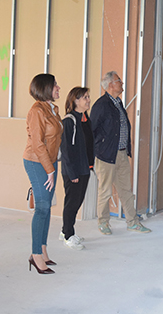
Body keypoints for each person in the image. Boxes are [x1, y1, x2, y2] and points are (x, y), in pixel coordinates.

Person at [90, 71, 151, 235]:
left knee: (126, 191)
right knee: (105, 191)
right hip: (106, 156)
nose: (122, 84)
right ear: (110, 85)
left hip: (121, 154)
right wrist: (99, 150)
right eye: (119, 81)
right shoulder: (101, 105)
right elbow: (91, 131)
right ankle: (103, 223)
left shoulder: (118, 103)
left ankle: (133, 222)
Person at [22, 73, 62, 274]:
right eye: (55, 85)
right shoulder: (37, 111)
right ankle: (36, 254)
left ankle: (43, 250)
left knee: (46, 208)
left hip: (49, 162)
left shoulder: (51, 108)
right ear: (45, 88)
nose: (58, 88)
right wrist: (50, 170)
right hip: (37, 163)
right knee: (42, 208)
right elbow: (38, 144)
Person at [59, 87, 94, 250]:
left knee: (77, 202)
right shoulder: (69, 121)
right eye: (85, 97)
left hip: (85, 168)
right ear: (75, 101)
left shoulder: (85, 119)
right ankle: (68, 235)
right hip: (73, 170)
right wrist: (72, 173)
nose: (88, 100)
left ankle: (65, 230)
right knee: (72, 203)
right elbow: (66, 150)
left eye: (88, 96)